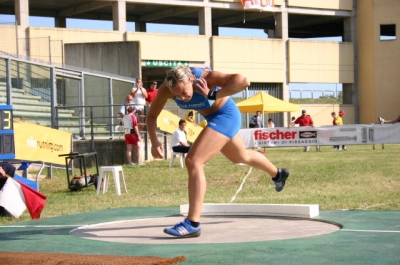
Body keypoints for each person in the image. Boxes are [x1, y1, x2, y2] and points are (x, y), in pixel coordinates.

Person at [146, 65, 290, 238]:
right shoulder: (166, 89)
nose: (182, 99)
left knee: (193, 160)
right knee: (240, 156)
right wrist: (154, 141)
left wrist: (213, 94)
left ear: (191, 80)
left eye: (184, 92)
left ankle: (192, 223)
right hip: (212, 118)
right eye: (177, 96)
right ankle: (278, 174)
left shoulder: (206, 78)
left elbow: (244, 81)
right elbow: (152, 116)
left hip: (226, 115)